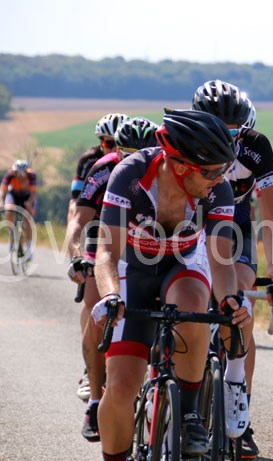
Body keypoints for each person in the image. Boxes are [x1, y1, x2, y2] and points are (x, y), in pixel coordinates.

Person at [92, 109, 253, 461]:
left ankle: (190, 415)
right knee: (121, 387)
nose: (220, 179)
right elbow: (106, 252)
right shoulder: (131, 176)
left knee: (195, 305)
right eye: (211, 171)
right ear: (180, 165)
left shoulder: (218, 190)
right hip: (133, 270)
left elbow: (220, 260)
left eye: (223, 169)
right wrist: (111, 296)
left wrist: (229, 299)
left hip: (183, 263)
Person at [191, 79, 273, 460]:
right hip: (189, 225)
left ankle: (240, 411)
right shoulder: (184, 141)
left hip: (235, 228)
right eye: (218, 130)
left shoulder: (255, 147)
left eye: (234, 132)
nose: (227, 139)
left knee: (241, 305)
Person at [65, 117, 159, 443]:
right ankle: (94, 400)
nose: (133, 162)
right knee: (97, 311)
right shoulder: (103, 170)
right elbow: (79, 221)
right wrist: (77, 255)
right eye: (126, 155)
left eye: (141, 155)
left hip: (146, 244)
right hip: (103, 239)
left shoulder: (162, 171)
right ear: (116, 151)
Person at [69, 112, 131, 401]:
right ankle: (91, 376)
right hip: (99, 229)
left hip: (138, 237)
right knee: (95, 303)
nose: (110, 147)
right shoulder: (100, 166)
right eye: (107, 143)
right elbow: (77, 211)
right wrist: (76, 253)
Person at [68, 113, 130, 223]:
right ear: (101, 143)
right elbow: (75, 199)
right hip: (94, 213)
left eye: (119, 143)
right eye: (109, 144)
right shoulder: (88, 160)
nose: (114, 149)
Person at [0, 159, 37, 258]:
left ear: (27, 172)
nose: (20, 176)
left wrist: (29, 202)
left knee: (28, 219)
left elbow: (34, 193)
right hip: (13, 194)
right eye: (18, 174)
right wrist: (1, 202)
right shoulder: (9, 175)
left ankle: (29, 248)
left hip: (27, 196)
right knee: (8, 210)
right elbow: (2, 191)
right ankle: (12, 234)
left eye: (23, 174)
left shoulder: (32, 176)